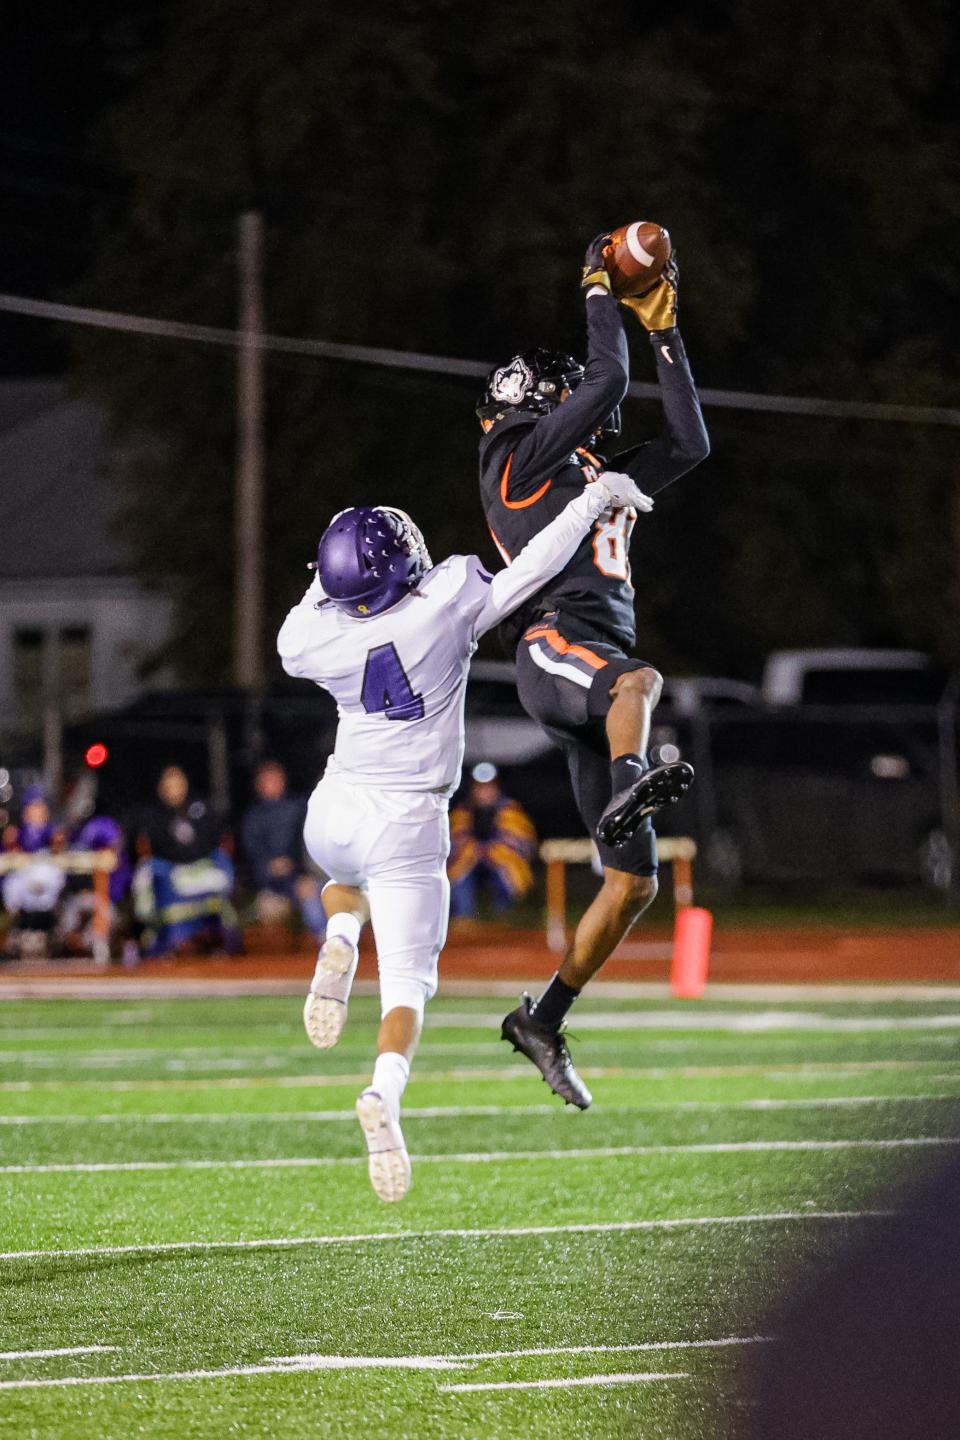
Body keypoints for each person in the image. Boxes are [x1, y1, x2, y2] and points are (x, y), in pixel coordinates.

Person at [277, 471, 653, 1201]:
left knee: (341, 881)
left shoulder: (306, 639)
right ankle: (383, 1094)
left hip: (334, 808)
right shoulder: (443, 602)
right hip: (408, 822)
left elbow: (319, 599)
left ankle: (344, 939)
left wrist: (334, 567)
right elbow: (534, 567)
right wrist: (589, 501)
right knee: (410, 986)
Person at [477, 233, 710, 1109]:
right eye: (558, 385)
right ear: (528, 399)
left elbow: (689, 444)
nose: (575, 391)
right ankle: (628, 780)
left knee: (635, 883)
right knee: (640, 685)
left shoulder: (589, 468)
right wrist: (595, 282)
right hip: (554, 645)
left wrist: (668, 332)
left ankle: (543, 1018)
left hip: (592, 662)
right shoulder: (518, 455)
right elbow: (606, 382)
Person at [133, 765, 238, 957]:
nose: (174, 787)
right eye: (169, 782)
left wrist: (197, 862)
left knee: (221, 868)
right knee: (145, 874)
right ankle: (157, 934)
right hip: (171, 872)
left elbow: (217, 841)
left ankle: (223, 935)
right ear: (161, 787)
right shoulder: (153, 816)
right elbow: (152, 851)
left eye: (178, 781)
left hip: (203, 868)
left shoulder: (202, 808)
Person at [241, 760, 325, 938]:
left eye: (275, 778)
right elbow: (252, 856)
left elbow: (308, 845)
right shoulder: (252, 817)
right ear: (258, 785)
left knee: (313, 892)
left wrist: (298, 869)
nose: (272, 783)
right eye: (267, 779)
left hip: (305, 876)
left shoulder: (300, 807)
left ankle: (327, 941)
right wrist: (270, 866)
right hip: (271, 885)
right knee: (267, 912)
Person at [448, 763, 537, 918]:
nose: (485, 792)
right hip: (469, 862)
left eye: (489, 787)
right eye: (480, 787)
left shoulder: (511, 810)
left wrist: (490, 850)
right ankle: (463, 920)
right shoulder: (462, 811)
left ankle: (505, 920)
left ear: (497, 787)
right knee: (461, 875)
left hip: (499, 863)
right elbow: (451, 844)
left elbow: (525, 844)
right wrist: (475, 849)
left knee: (506, 872)